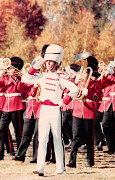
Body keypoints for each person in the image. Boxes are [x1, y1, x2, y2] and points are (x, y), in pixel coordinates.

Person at [22, 44, 79, 176]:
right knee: (42, 139)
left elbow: (75, 89)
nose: (47, 64)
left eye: (50, 62)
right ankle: (40, 167)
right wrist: (35, 66)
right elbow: (26, 79)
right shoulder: (42, 76)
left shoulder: (60, 77)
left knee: (57, 138)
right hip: (44, 109)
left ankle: (60, 167)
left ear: (56, 63)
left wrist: (64, 101)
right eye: (46, 62)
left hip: (55, 110)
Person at [67, 55, 101, 168]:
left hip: (88, 111)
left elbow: (97, 98)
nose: (83, 73)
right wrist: (74, 83)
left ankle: (90, 160)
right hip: (77, 110)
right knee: (75, 137)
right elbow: (69, 90)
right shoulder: (78, 81)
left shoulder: (95, 83)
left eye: (86, 71)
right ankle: (72, 160)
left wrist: (89, 94)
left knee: (88, 137)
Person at [0, 57, 26, 160]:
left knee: (18, 132)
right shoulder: (5, 77)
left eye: (11, 68)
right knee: (1, 130)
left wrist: (15, 78)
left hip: (16, 106)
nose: (9, 69)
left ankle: (20, 155)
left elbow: (22, 89)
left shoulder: (20, 77)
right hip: (6, 107)